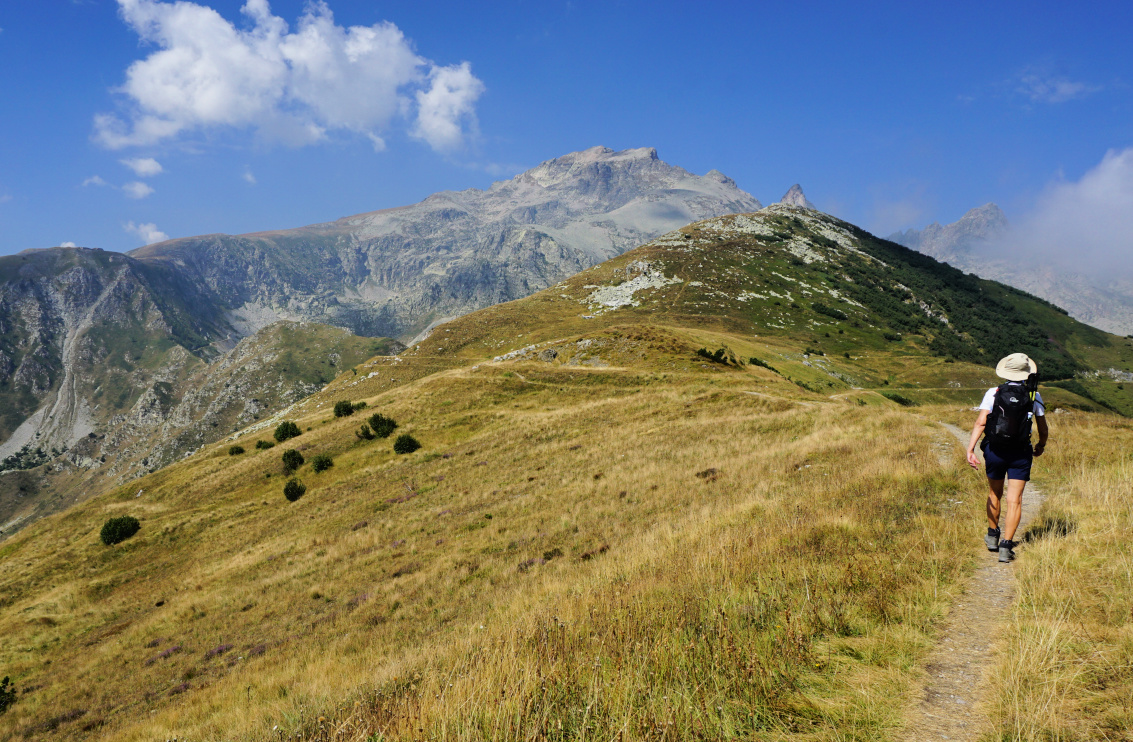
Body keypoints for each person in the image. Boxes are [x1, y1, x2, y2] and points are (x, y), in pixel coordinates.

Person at [965, 352, 1049, 562]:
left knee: (995, 494)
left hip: (995, 450)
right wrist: (1041, 445)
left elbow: (981, 422)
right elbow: (1043, 427)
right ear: (1027, 374)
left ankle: (993, 536)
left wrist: (971, 449)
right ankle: (1006, 546)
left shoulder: (994, 392)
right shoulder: (1033, 396)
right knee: (1015, 501)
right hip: (1020, 452)